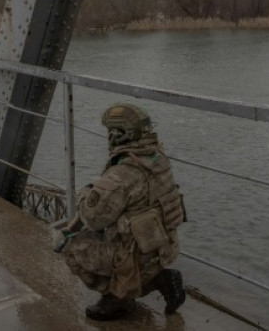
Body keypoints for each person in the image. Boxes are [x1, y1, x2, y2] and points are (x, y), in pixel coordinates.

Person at [54, 103, 187, 321]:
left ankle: (117, 297)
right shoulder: (159, 157)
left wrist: (87, 192)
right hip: (164, 249)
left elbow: (92, 218)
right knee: (118, 238)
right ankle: (161, 279)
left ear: (118, 134)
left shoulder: (122, 173)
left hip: (138, 259)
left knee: (69, 245)